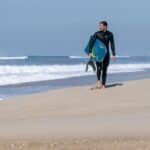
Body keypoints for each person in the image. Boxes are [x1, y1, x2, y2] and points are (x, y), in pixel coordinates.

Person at [89, 21, 116, 89]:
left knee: (104, 69)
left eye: (101, 25)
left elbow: (112, 44)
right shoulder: (96, 34)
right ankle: (98, 81)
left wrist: (113, 54)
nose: (99, 27)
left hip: (106, 54)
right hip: (98, 53)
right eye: (99, 25)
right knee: (99, 68)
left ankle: (103, 84)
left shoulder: (110, 34)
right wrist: (90, 52)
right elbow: (91, 43)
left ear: (105, 26)